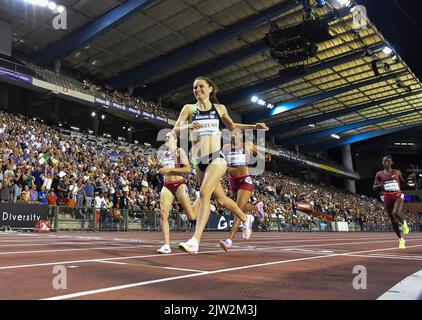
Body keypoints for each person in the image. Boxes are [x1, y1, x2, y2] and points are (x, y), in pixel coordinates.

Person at [173, 76, 268, 254]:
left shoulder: (219, 108)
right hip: (198, 161)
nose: (197, 90)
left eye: (201, 86)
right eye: (194, 87)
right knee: (221, 199)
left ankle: (195, 240)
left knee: (203, 193)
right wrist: (189, 127)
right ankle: (245, 218)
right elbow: (175, 129)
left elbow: (232, 127)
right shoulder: (189, 109)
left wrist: (254, 126)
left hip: (217, 157)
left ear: (210, 89)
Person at [147, 131, 196, 254]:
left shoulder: (180, 151)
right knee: (164, 213)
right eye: (166, 137)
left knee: (191, 217)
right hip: (167, 185)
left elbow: (188, 169)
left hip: (179, 183)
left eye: (168, 136)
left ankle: (201, 197)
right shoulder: (163, 154)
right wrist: (155, 165)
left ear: (175, 139)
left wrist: (170, 169)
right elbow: (162, 169)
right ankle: (166, 245)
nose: (166, 138)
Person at [219, 129, 267, 251]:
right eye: (232, 133)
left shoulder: (248, 145)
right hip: (232, 181)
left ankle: (229, 240)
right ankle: (257, 208)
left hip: (245, 180)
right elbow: (220, 162)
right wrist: (228, 169)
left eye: (236, 133)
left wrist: (265, 157)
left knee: (238, 210)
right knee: (242, 208)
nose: (233, 135)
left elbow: (261, 155)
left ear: (241, 136)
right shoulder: (225, 148)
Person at [373, 155, 410, 249]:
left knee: (396, 212)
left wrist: (409, 178)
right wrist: (378, 185)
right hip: (387, 197)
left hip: (398, 195)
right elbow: (374, 187)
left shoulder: (397, 172)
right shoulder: (379, 174)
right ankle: (401, 239)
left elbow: (403, 182)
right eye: (384, 161)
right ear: (382, 162)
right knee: (393, 221)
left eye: (388, 161)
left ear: (391, 162)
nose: (386, 162)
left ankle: (404, 223)